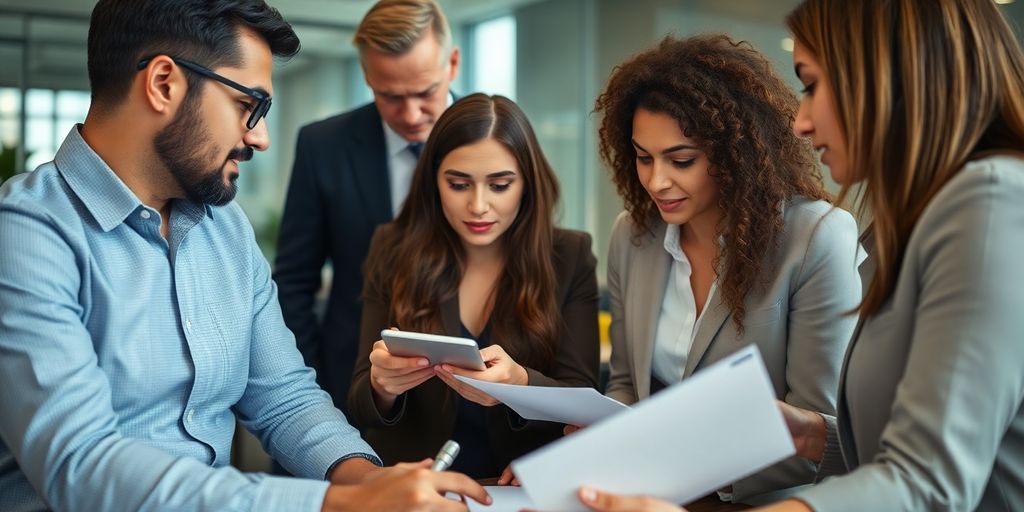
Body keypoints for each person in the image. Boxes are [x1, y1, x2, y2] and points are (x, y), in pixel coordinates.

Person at [0, 1, 489, 511]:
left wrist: (371, 483)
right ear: (164, 83)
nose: (260, 136)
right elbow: (80, 465)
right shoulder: (27, 234)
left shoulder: (224, 228)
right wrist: (339, 505)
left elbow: (284, 398)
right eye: (247, 105)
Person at [577, 1, 1024, 511]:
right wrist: (810, 435)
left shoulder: (989, 203)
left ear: (886, 79)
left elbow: (927, 484)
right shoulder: (903, 230)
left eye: (811, 85)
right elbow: (884, 453)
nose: (800, 122)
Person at [593, 34, 861, 504]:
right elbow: (624, 384)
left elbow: (823, 431)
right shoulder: (632, 235)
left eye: (682, 160)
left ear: (737, 153)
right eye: (643, 157)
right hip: (643, 493)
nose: (657, 181)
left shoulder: (816, 237)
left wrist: (688, 467)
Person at [347, 93, 600, 480]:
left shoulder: (570, 254)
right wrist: (382, 385)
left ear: (527, 185)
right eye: (459, 184)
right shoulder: (392, 248)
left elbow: (581, 398)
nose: (478, 206)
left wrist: (522, 384)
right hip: (415, 483)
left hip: (518, 485)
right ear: (434, 181)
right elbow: (360, 405)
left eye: (499, 185)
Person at [273, 0, 460, 415]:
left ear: (453, 63)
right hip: (346, 391)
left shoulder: (495, 142)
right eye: (390, 96)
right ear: (367, 77)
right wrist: (311, 393)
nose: (411, 114)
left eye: (425, 92)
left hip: (469, 396)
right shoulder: (323, 146)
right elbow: (293, 282)